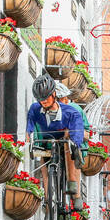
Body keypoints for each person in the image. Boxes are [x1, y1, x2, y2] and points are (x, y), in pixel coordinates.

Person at [25, 72, 87, 208]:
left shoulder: (73, 110)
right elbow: (30, 128)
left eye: (62, 99)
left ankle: (74, 189)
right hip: (46, 147)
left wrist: (74, 141)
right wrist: (30, 140)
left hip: (67, 147)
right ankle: (48, 200)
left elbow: (82, 132)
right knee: (43, 162)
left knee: (69, 149)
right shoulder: (37, 109)